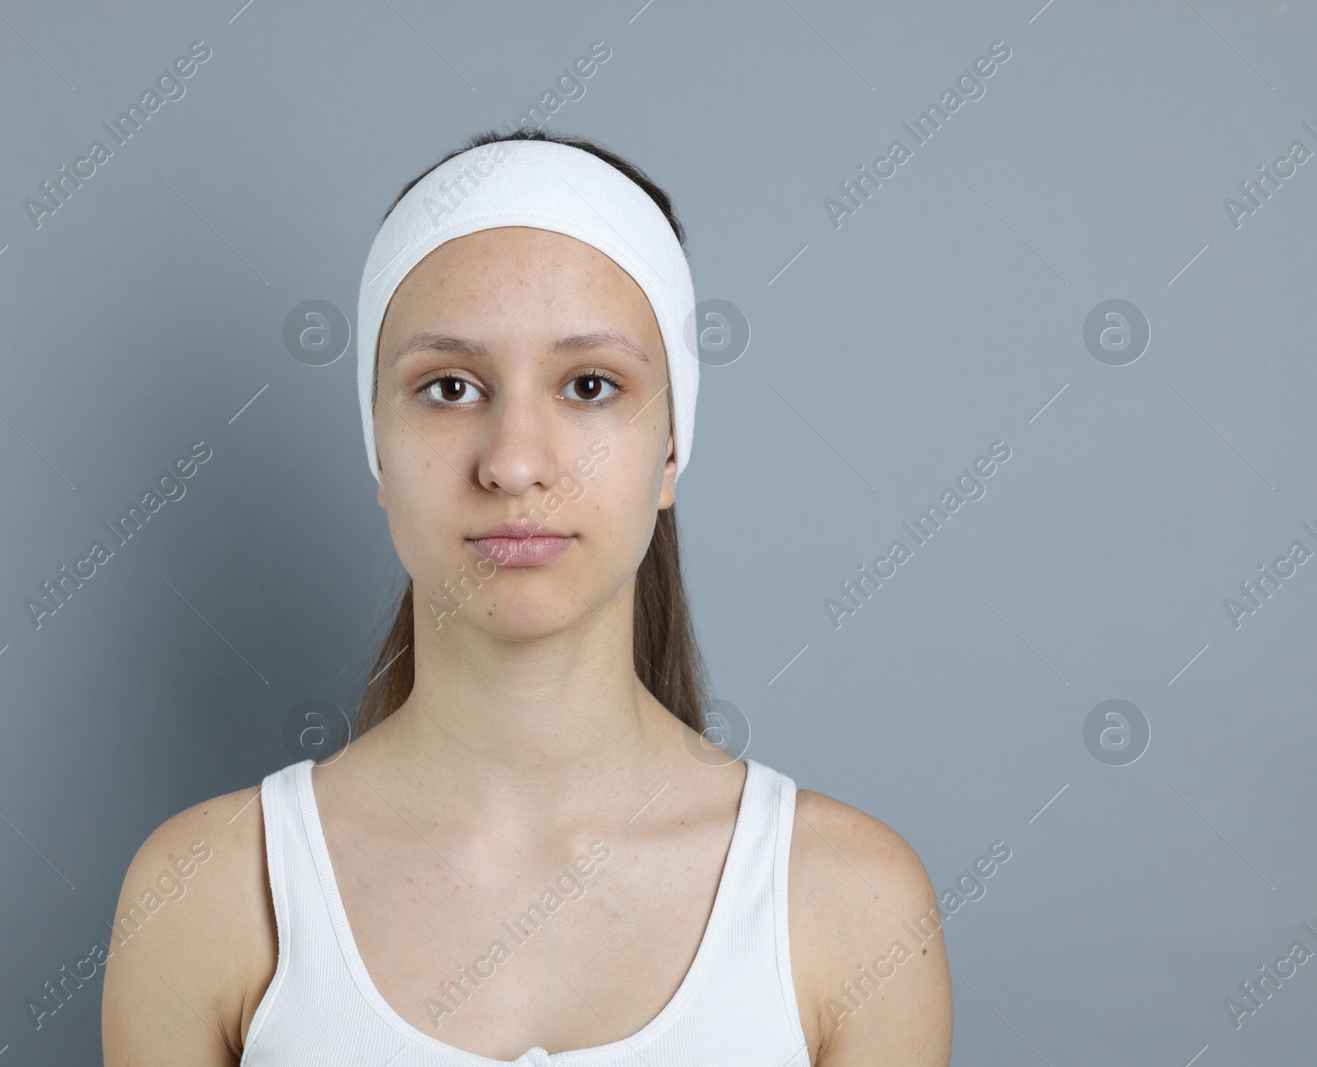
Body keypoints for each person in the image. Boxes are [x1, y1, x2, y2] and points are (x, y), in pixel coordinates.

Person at [102, 128, 953, 1066]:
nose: (513, 462)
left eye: (590, 385)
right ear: (377, 448)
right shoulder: (206, 895)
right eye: (450, 386)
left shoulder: (850, 907)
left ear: (670, 449)